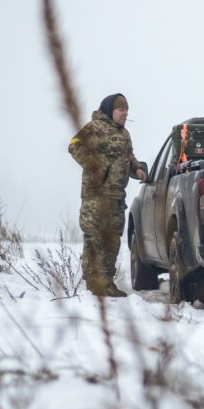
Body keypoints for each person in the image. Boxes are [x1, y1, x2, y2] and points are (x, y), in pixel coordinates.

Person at [68, 93, 147, 296]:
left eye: (127, 110)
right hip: (96, 196)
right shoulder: (94, 128)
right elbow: (74, 145)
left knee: (112, 240)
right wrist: (97, 167)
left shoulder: (124, 134)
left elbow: (129, 156)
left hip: (116, 197)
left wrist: (137, 168)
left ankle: (107, 283)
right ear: (111, 110)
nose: (125, 113)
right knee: (95, 240)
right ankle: (94, 285)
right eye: (121, 110)